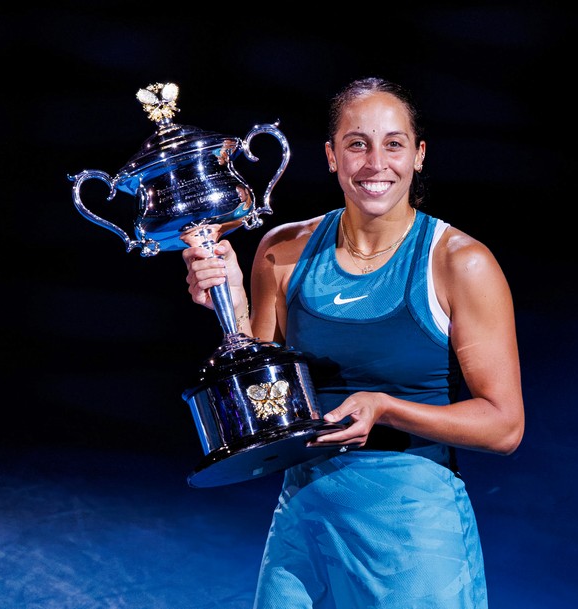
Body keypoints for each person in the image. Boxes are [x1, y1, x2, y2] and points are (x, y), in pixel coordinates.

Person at [182, 76, 525, 609]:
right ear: (331, 156)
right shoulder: (282, 251)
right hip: (306, 519)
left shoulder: (461, 263)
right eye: (357, 144)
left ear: (418, 156)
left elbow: (504, 427)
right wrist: (229, 302)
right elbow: (267, 400)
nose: (375, 163)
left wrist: (386, 408)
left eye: (394, 144)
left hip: (414, 532)